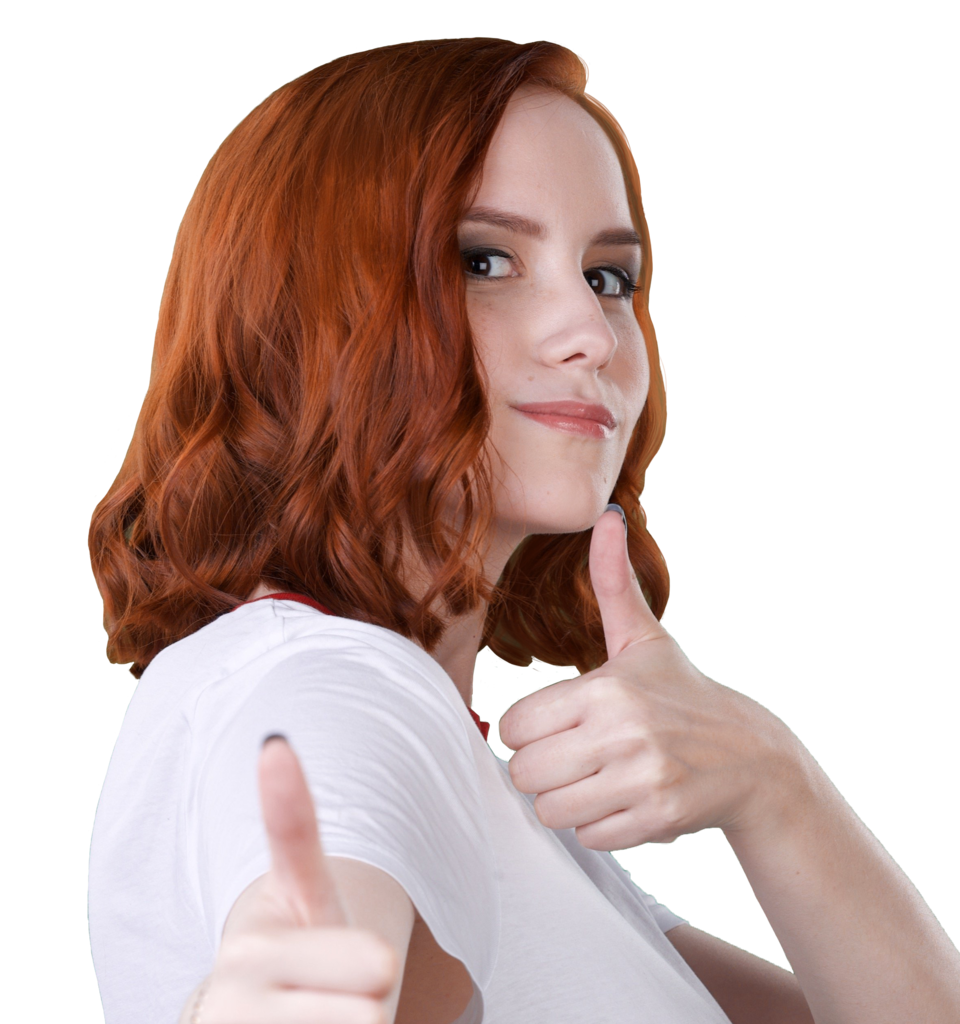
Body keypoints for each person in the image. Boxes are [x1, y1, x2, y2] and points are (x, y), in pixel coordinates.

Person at [86, 35, 959, 1024]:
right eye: (484, 259)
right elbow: (306, 956)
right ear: (300, 316)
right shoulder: (336, 684)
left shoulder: (503, 814)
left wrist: (771, 781)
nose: (591, 334)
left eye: (608, 276)